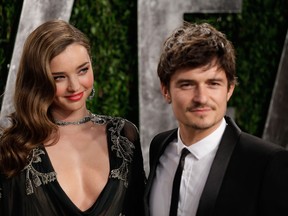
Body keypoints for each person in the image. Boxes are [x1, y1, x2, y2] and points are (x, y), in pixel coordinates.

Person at [0, 19, 146, 216]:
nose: (75, 86)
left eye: (83, 70)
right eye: (59, 77)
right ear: (38, 79)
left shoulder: (124, 135)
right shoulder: (14, 148)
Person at [144, 21, 288, 216]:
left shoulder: (267, 163)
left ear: (229, 89)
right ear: (165, 91)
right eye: (187, 84)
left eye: (213, 83)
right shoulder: (160, 146)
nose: (201, 98)